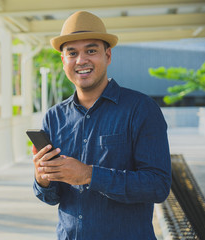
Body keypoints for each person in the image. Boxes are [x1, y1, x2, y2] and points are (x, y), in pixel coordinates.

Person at [32, 11, 171, 239]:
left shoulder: (141, 109)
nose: (81, 60)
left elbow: (158, 185)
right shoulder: (53, 117)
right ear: (63, 60)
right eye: (72, 53)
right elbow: (51, 197)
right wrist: (42, 179)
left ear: (108, 55)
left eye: (91, 50)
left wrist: (89, 175)